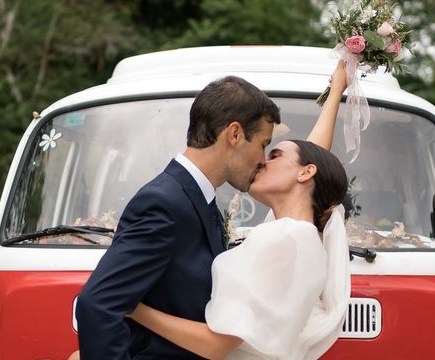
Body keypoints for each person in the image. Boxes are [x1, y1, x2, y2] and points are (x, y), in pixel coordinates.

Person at [125, 62, 351, 360]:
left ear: (306, 174)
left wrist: (134, 308)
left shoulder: (285, 238)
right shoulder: (300, 233)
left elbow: (215, 345)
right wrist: (337, 90)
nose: (261, 161)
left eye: (275, 154)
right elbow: (312, 155)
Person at [75, 75, 281, 360]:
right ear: (234, 134)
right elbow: (98, 304)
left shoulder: (198, 199)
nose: (263, 159)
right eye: (263, 144)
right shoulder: (163, 204)